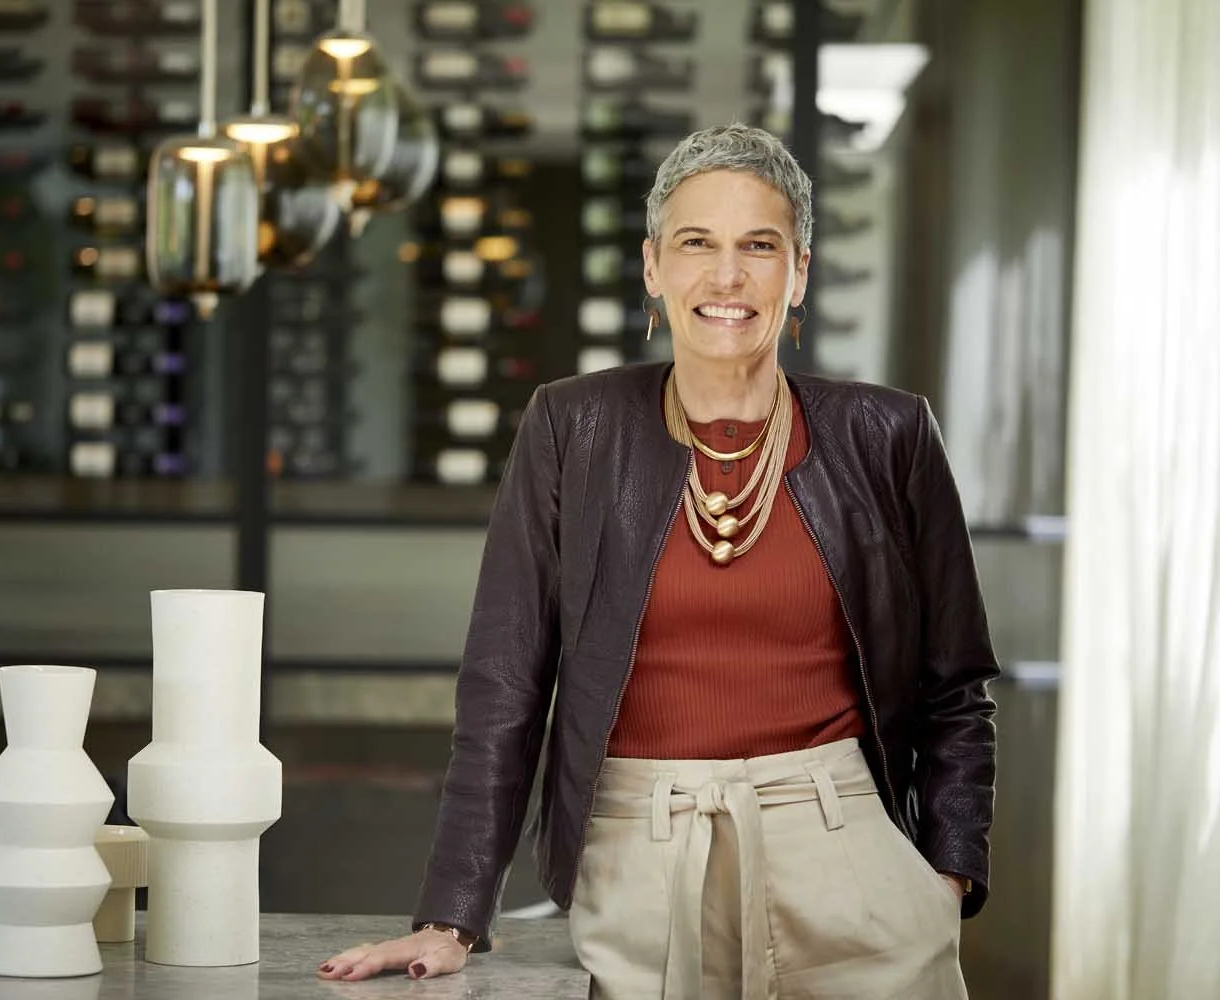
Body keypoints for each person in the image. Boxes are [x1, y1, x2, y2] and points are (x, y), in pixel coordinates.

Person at [317, 123, 999, 999]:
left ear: (801, 271)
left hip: (848, 856)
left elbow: (956, 688)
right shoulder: (572, 426)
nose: (727, 277)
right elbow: (505, 682)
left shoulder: (888, 433)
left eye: (760, 245)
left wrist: (943, 882)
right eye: (696, 244)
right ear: (652, 267)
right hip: (639, 856)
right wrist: (454, 913)